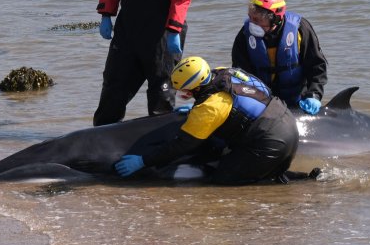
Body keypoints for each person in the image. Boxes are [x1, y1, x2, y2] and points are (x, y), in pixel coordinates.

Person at [114, 57, 300, 185]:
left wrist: (143, 161)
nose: (182, 94)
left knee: (223, 179)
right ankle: (277, 174)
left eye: (184, 91)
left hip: (271, 138)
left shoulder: (209, 107)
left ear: (194, 89)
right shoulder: (223, 72)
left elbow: (181, 145)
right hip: (286, 119)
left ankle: (276, 189)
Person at [231, 0, 327, 115]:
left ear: (275, 19)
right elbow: (240, 73)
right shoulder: (244, 35)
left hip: (298, 100)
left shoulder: (300, 29)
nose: (252, 23)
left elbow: (317, 66)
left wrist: (314, 94)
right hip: (262, 102)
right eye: (250, 17)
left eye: (257, 20)